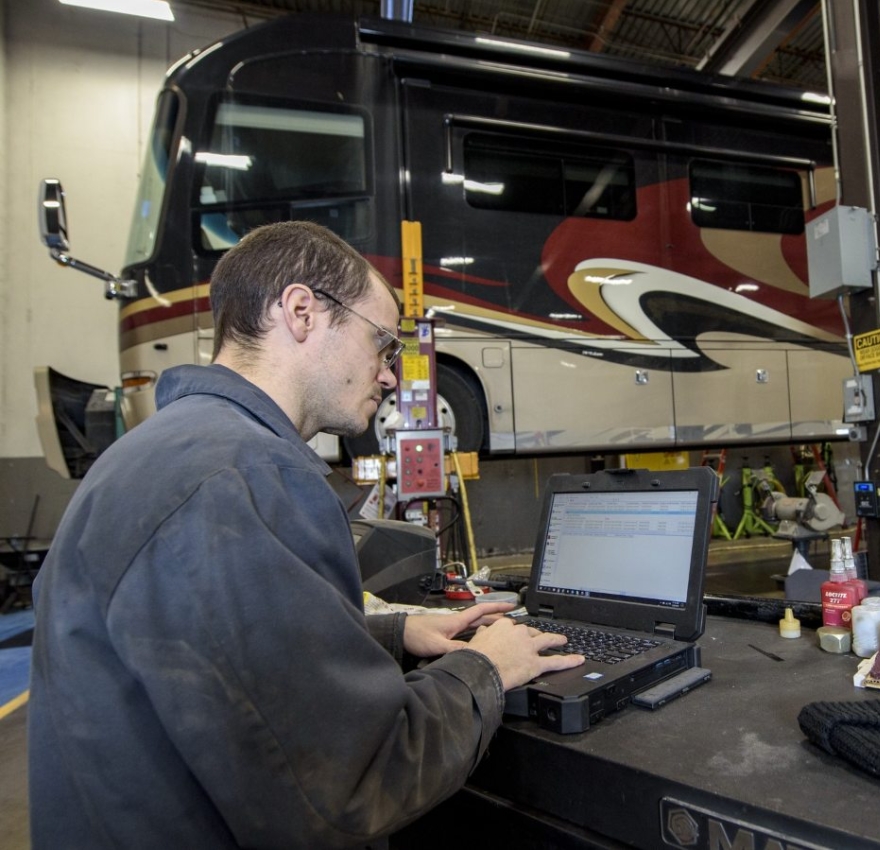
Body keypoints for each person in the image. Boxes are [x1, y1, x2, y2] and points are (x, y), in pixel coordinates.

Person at [27, 221, 584, 849]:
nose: (391, 376)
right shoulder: (250, 477)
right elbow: (350, 786)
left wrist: (396, 633)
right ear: (301, 312)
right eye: (382, 344)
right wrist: (485, 667)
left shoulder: (159, 452)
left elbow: (199, 640)